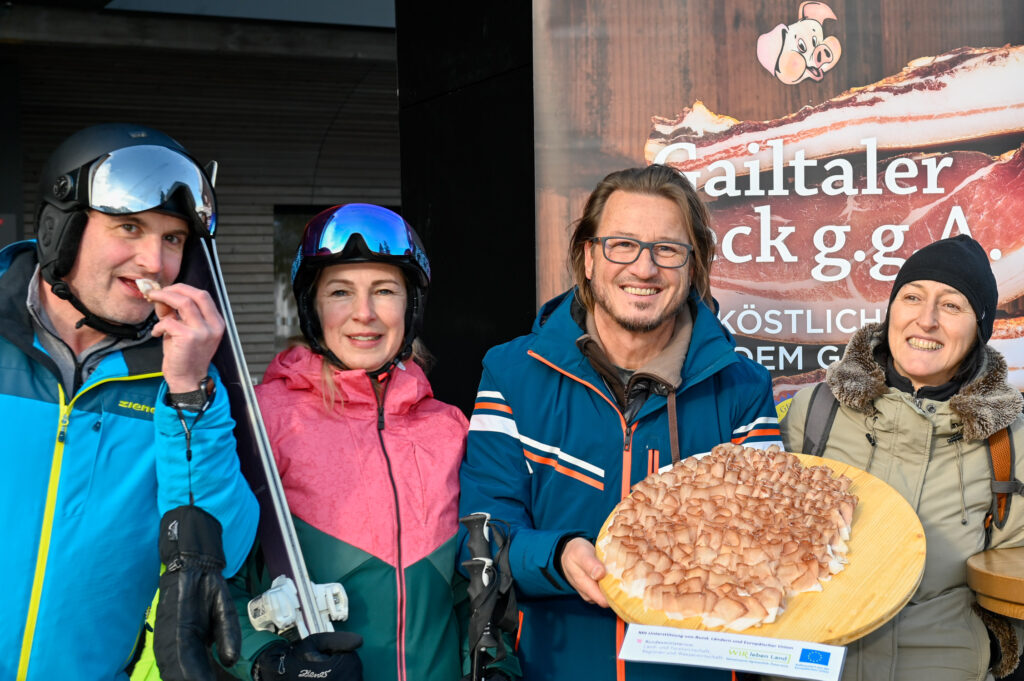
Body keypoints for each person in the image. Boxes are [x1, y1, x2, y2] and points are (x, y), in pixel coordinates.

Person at [457, 164, 783, 681]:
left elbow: (771, 543)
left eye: (667, 250)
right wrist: (558, 554)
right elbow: (482, 534)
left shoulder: (742, 388)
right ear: (588, 258)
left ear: (693, 266)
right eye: (622, 245)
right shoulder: (512, 373)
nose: (645, 268)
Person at [1, 123, 259, 680]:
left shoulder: (175, 371)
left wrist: (191, 391)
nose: (154, 261)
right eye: (129, 227)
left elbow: (226, 551)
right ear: (58, 232)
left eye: (172, 239)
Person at [225, 204, 509, 681]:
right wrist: (266, 662)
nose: (364, 314)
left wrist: (498, 665)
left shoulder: (450, 428)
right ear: (312, 308)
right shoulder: (261, 420)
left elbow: (474, 588)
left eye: (385, 291)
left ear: (411, 306)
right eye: (340, 292)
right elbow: (206, 579)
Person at [780, 235, 1024, 681]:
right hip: (811, 662)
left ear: (979, 330)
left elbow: (1015, 573)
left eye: (951, 305)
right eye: (912, 297)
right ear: (892, 309)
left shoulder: (1010, 438)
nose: (926, 320)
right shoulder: (816, 409)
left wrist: (985, 650)